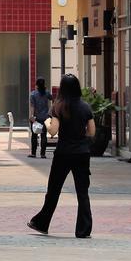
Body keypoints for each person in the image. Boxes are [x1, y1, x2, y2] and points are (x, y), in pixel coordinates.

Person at [27, 73, 95, 238]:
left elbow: (52, 131)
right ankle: (83, 230)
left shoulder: (58, 107)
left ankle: (42, 223)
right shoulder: (85, 107)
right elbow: (92, 132)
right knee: (82, 192)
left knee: (54, 190)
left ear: (62, 89)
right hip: (82, 154)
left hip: (63, 154)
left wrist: (46, 121)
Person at [28, 78, 51, 158]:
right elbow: (53, 99)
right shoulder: (47, 93)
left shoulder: (33, 94)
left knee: (34, 135)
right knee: (43, 135)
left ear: (36, 85)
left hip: (36, 118)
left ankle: (33, 153)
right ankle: (43, 154)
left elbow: (32, 106)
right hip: (45, 117)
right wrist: (50, 112)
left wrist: (31, 116)